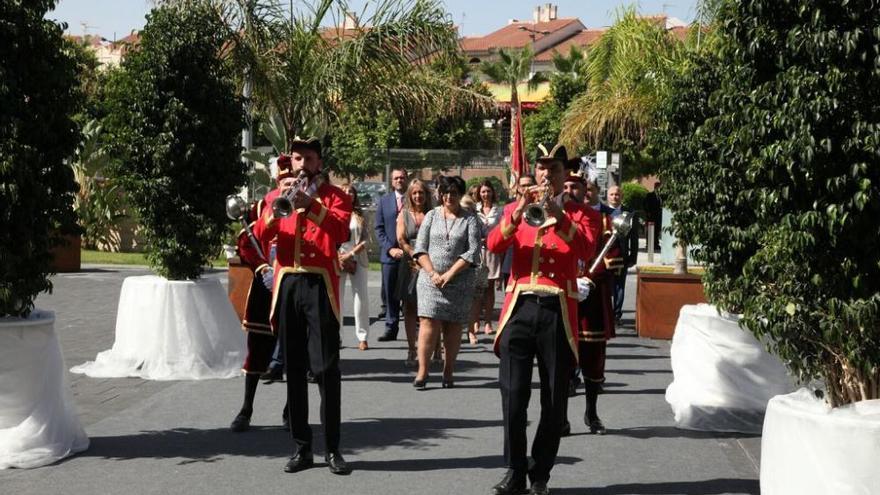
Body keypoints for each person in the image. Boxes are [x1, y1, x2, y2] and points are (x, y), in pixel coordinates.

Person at [486, 144, 594, 495]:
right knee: (513, 397)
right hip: (519, 307)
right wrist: (516, 214)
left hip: (557, 311)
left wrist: (558, 216)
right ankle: (515, 471)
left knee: (554, 400)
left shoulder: (581, 214)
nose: (548, 175)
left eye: (555, 170)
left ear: (565, 177)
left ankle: (540, 473)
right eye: (543, 169)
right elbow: (493, 245)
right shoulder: (515, 209)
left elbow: (585, 250)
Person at [253, 137, 353, 475]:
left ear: (318, 163)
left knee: (325, 369)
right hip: (287, 284)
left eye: (308, 158)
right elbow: (261, 235)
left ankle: (334, 449)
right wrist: (277, 203)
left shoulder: (336, 196)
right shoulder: (275, 195)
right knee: (293, 369)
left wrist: (310, 204)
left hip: (320, 284)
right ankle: (302, 448)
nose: (301, 164)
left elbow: (339, 231)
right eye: (297, 158)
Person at [229, 173, 287, 433]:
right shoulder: (262, 206)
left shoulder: (307, 206)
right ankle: (246, 409)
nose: (289, 185)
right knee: (256, 351)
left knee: (296, 353)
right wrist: (262, 268)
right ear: (278, 183)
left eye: (293, 180)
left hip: (294, 287)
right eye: (285, 181)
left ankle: (291, 410)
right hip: (265, 289)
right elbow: (245, 242)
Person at [412, 175, 481, 390]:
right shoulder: (431, 215)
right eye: (446, 192)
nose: (449, 196)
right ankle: (422, 371)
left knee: (453, 326)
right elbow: (420, 249)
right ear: (440, 195)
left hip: (459, 281)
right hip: (430, 281)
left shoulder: (470, 219)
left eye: (454, 193)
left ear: (461, 195)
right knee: (427, 323)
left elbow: (473, 251)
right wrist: (433, 273)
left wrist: (450, 274)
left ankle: (448, 369)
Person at [395, 179, 432, 366]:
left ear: (427, 195)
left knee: (431, 309)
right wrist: (414, 255)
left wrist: (426, 261)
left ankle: (433, 349)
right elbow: (401, 239)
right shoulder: (404, 214)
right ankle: (411, 349)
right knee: (409, 308)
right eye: (415, 193)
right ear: (410, 195)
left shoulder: (434, 214)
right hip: (409, 264)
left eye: (421, 193)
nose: (418, 196)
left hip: (431, 264)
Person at [374, 167, 409, 342]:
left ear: (406, 179)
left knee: (411, 294)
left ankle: (415, 329)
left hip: (411, 255)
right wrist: (390, 248)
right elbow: (378, 229)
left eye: (402, 178)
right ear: (391, 180)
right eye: (396, 178)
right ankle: (391, 327)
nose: (399, 181)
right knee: (390, 294)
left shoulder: (415, 199)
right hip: (389, 256)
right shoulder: (384, 201)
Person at [338, 184, 370, 351]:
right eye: (343, 191)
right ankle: (337, 337)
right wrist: (339, 256)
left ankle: (362, 337)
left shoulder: (360, 214)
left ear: (355, 195)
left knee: (360, 299)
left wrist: (351, 254)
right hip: (337, 258)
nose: (347, 193)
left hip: (357, 257)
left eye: (350, 191)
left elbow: (366, 239)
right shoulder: (332, 212)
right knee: (337, 300)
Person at [606, 185, 639, 323]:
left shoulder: (630, 214)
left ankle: (616, 315)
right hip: (605, 257)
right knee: (605, 286)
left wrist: (633, 256)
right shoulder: (600, 212)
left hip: (622, 256)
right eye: (612, 194)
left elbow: (634, 237)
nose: (615, 197)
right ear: (608, 196)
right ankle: (605, 313)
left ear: (622, 197)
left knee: (619, 286)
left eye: (617, 194)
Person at [499, 174, 536, 292]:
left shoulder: (541, 206)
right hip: (512, 257)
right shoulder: (509, 208)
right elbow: (502, 236)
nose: (526, 189)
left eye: (529, 185)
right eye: (523, 185)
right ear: (518, 188)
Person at [476, 180, 503, 336]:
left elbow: (501, 231)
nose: (486, 194)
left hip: (492, 252)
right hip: (478, 253)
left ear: (493, 192)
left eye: (488, 191)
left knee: (489, 289)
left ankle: (487, 322)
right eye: (483, 191)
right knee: (478, 288)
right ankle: (475, 322)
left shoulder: (499, 211)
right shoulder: (475, 210)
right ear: (479, 193)